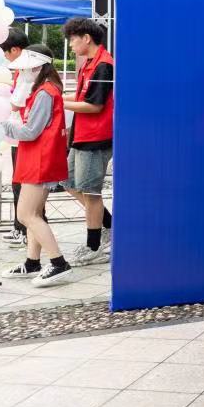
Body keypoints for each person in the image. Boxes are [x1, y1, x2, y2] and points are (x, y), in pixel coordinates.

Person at [0, 45, 75, 286]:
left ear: (37, 68)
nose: (21, 73)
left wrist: (3, 124)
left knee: (26, 214)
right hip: (38, 158)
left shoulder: (45, 92)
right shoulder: (45, 90)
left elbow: (31, 131)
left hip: (40, 160)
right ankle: (32, 262)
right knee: (34, 214)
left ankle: (58, 263)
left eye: (25, 69)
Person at [61, 17, 115, 266]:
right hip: (81, 135)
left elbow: (94, 106)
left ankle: (94, 246)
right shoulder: (90, 63)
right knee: (68, 181)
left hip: (95, 137)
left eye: (73, 40)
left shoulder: (104, 65)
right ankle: (109, 225)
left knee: (91, 192)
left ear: (86, 38)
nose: (71, 45)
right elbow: (82, 97)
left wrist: (58, 103)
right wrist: (56, 96)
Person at [0, 27, 33, 248]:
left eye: (5, 53)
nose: (4, 58)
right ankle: (21, 227)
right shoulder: (21, 70)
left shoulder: (28, 70)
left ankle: (27, 229)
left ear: (15, 50)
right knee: (19, 182)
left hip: (25, 134)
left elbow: (17, 102)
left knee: (24, 185)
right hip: (19, 134)